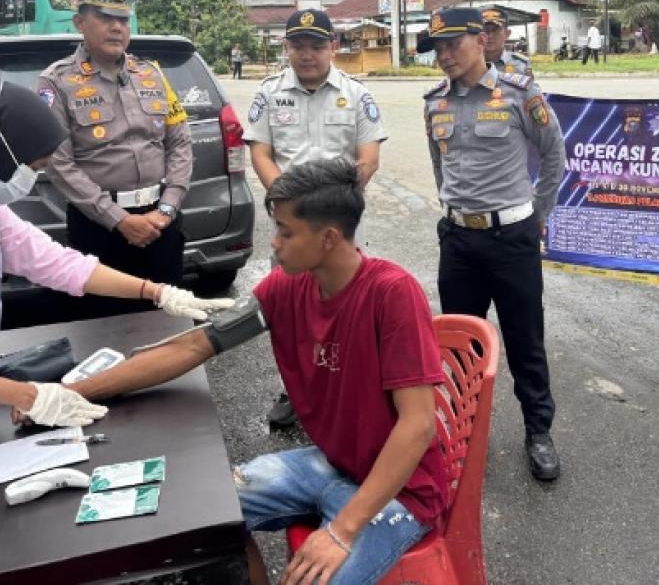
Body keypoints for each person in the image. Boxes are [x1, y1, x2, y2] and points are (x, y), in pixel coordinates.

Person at [0, 70, 230, 552]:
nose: (33, 176)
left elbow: (54, 262)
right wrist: (33, 396)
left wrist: (157, 293)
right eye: (30, 163)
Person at [62, 159, 449, 585]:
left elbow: (417, 425)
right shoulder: (286, 287)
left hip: (399, 491)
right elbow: (195, 345)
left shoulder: (392, 294)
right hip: (333, 462)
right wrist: (77, 392)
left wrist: (340, 532)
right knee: (204, 517)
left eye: (285, 231)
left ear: (328, 238)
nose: (276, 243)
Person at [419, 7, 567, 481]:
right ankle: (459, 435)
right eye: (437, 48)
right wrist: (453, 209)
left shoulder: (521, 94)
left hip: (512, 239)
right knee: (460, 346)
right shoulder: (434, 102)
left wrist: (537, 216)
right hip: (459, 240)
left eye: (453, 45)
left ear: (481, 41)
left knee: (525, 339)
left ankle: (538, 432)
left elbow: (554, 154)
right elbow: (440, 165)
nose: (444, 57)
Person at [244, 8, 387, 428]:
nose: (307, 54)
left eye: (317, 45)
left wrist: (331, 207)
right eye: (299, 46)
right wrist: (290, 205)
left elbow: (369, 158)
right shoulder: (269, 93)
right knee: (290, 309)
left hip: (339, 227)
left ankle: (347, 386)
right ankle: (295, 388)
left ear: (333, 47)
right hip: (290, 227)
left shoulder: (356, 94)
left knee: (348, 306)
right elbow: (261, 153)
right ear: (286, 48)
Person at [38, 0, 193, 316]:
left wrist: (167, 210)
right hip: (100, 229)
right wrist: (119, 220)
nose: (116, 27)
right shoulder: (56, 82)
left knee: (168, 319)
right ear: (80, 22)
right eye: (104, 17)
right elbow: (59, 164)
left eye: (123, 18)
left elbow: (180, 143)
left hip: (161, 223)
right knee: (103, 326)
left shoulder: (152, 73)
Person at [481, 6, 532, 77]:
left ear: (507, 34)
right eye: (485, 31)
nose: (490, 36)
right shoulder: (469, 63)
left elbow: (529, 87)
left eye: (495, 30)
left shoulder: (520, 63)